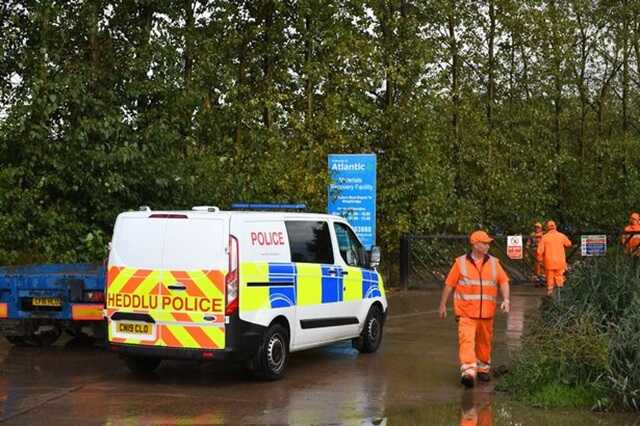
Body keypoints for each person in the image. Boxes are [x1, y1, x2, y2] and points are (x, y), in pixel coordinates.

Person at [439, 230, 510, 388]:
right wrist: (442, 304)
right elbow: (449, 285)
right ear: (475, 244)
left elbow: (503, 281)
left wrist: (506, 299)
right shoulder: (460, 263)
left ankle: (483, 369)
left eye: (488, 243)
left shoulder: (494, 263)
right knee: (467, 341)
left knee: (484, 342)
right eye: (484, 243)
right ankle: (469, 373)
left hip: (487, 313)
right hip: (466, 313)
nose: (487, 246)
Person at [536, 221, 572, 296]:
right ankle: (560, 294)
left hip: (549, 262)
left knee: (550, 278)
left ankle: (550, 294)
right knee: (560, 276)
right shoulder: (561, 236)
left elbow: (539, 251)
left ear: (547, 227)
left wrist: (540, 260)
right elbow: (569, 244)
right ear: (555, 226)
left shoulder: (544, 237)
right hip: (560, 261)